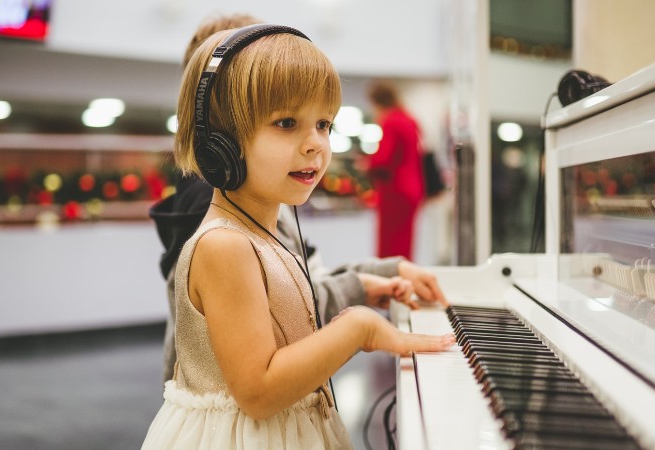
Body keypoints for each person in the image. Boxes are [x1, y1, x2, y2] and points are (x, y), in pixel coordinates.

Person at [140, 25, 455, 448]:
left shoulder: (265, 233)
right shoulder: (225, 245)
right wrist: (357, 329)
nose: (316, 145)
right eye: (287, 123)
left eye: (324, 124)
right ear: (220, 143)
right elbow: (259, 392)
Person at [362, 80, 426, 260]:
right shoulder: (409, 119)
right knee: (405, 243)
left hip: (395, 191)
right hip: (413, 188)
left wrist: (367, 163)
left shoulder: (390, 121)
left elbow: (382, 159)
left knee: (390, 246)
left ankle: (390, 285)